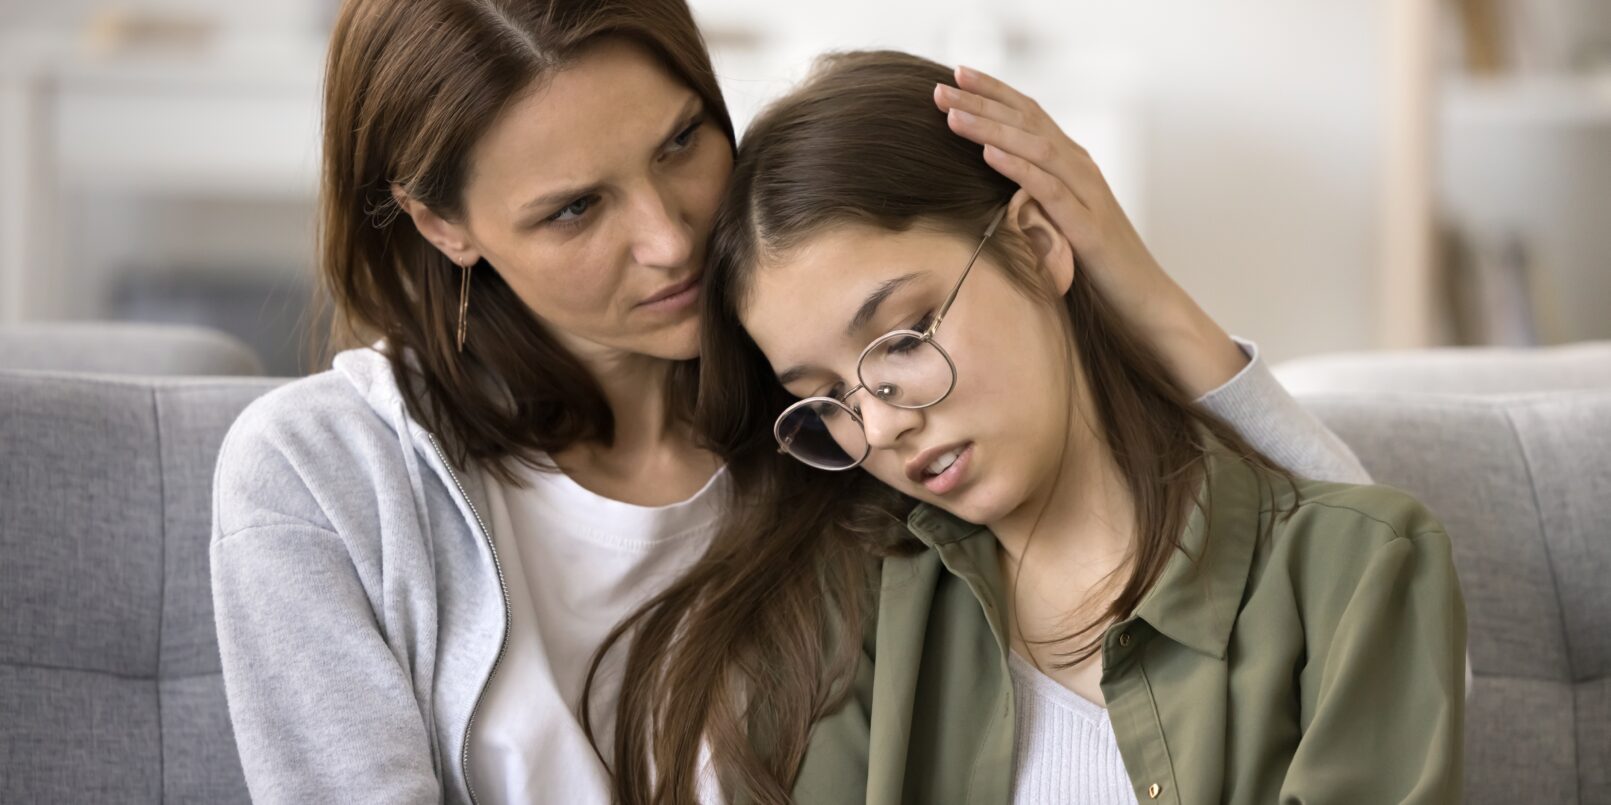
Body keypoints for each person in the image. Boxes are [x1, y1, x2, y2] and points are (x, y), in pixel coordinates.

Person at [210, 1, 1371, 802]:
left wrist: (1129, 274)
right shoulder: (322, 476)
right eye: (575, 210)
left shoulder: (857, 422)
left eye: (682, 143)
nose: (670, 238)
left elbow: (1359, 615)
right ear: (440, 224)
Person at [602, 50, 1464, 804]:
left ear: (1039, 241)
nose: (882, 423)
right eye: (826, 395)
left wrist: (1145, 289)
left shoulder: (1356, 570)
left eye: (902, 338)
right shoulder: (834, 621)